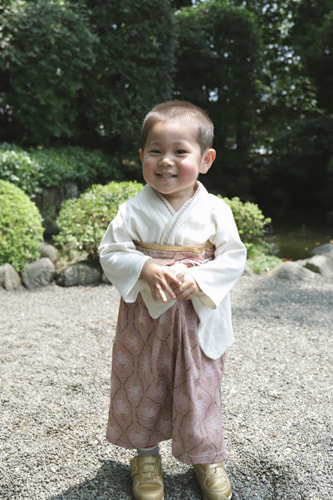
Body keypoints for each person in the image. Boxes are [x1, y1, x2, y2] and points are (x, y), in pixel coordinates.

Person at [99, 100, 246, 500]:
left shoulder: (216, 210)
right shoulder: (132, 210)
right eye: (155, 151)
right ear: (141, 156)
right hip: (145, 316)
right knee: (142, 383)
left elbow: (234, 256)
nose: (166, 161)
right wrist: (143, 268)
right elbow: (111, 251)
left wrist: (200, 278)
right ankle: (145, 456)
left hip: (198, 316)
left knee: (200, 387)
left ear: (205, 159)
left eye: (180, 151)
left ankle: (206, 456)